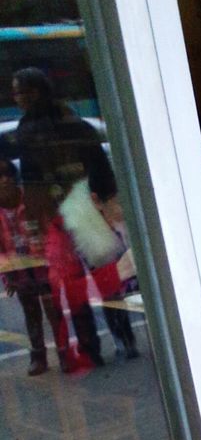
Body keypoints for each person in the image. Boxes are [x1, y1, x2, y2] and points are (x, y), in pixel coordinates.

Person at [6, 67, 120, 371]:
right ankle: (107, 342)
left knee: (86, 280)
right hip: (72, 208)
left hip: (73, 208)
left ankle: (97, 346)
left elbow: (35, 181)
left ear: (36, 92)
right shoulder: (62, 123)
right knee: (91, 279)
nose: (17, 98)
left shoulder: (41, 127)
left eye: (21, 91)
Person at [0, 157, 71, 374]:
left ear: (14, 179)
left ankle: (64, 353)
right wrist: (7, 276)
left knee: (53, 310)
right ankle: (38, 356)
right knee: (31, 313)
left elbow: (52, 230)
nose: (3, 181)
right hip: (19, 271)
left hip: (44, 265)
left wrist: (56, 262)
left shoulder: (31, 201)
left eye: (6, 176)